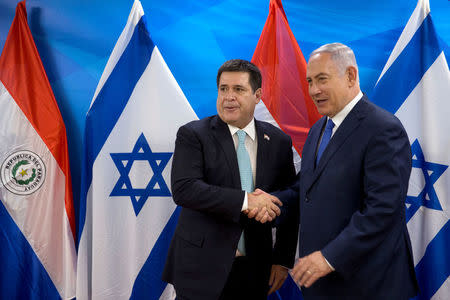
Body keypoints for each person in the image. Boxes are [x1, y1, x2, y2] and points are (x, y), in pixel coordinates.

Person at [277, 43, 419, 299]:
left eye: (322, 79)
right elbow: (305, 189)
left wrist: (329, 258)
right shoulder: (318, 130)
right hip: (321, 282)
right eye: (310, 81)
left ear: (351, 75)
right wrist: (269, 202)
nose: (313, 90)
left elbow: (383, 209)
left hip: (369, 284)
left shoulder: (383, 129)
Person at [162, 59, 298, 300]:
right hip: (201, 268)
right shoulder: (193, 134)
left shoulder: (278, 141)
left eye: (238, 89)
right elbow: (184, 189)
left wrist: (282, 259)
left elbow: (289, 200)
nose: (228, 97)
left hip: (256, 270)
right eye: (223, 89)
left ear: (257, 96)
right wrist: (247, 201)